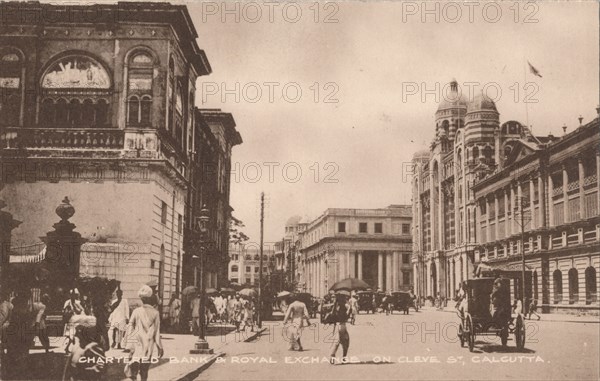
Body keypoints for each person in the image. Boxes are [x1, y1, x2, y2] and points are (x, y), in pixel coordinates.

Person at [124, 285, 163, 381]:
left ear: (142, 300)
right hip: (148, 344)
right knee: (144, 370)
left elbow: (130, 327)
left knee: (134, 365)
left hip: (136, 342)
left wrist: (128, 343)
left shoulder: (136, 311)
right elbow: (157, 331)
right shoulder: (155, 313)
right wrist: (160, 347)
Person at [329, 292, 350, 364]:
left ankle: (332, 356)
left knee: (336, 341)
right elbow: (348, 314)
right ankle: (343, 357)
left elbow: (332, 315)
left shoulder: (335, 307)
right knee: (345, 341)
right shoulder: (344, 306)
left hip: (337, 325)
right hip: (342, 325)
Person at [63, 289, 85, 353]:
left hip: (71, 320)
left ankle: (67, 348)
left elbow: (64, 311)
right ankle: (70, 348)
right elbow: (81, 311)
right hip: (76, 320)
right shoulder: (77, 302)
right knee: (74, 334)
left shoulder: (67, 302)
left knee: (71, 335)